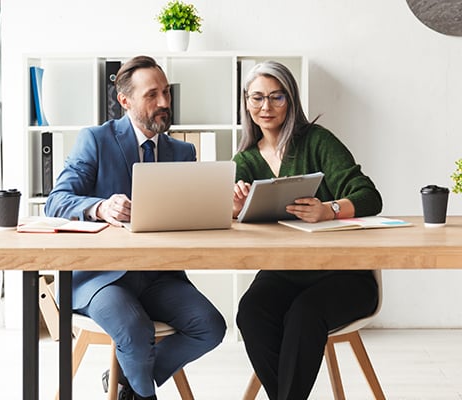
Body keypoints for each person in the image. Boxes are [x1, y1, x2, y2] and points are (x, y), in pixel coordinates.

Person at [45, 55, 226, 400]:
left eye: (166, 93)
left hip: (159, 275)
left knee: (210, 327)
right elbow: (57, 200)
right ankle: (142, 391)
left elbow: (187, 216)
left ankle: (127, 382)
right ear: (124, 101)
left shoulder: (183, 151)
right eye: (151, 95)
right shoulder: (95, 140)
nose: (163, 103)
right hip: (101, 276)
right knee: (135, 330)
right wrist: (99, 207)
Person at [232, 60, 382, 400]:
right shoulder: (243, 161)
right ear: (246, 102)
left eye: (276, 97)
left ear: (292, 100)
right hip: (283, 272)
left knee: (304, 315)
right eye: (256, 98)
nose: (265, 107)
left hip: (344, 274)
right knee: (250, 313)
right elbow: (229, 220)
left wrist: (329, 210)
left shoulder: (317, 141)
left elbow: (370, 196)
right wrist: (237, 210)